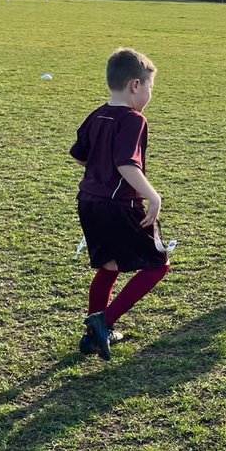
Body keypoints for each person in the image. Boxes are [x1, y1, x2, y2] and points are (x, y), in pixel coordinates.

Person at [70, 48, 171, 360]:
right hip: (119, 206)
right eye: (151, 87)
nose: (151, 94)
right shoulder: (133, 120)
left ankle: (92, 337)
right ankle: (105, 321)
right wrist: (153, 196)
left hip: (88, 201)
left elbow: (80, 155)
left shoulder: (97, 114)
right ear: (135, 86)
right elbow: (128, 165)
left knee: (110, 266)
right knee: (158, 265)